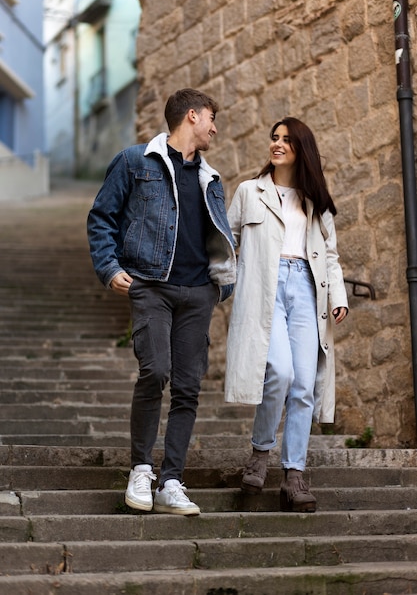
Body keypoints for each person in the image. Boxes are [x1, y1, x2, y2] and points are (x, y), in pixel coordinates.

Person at [87, 88, 236, 516]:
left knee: (188, 387)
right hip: (150, 284)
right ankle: (140, 469)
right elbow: (102, 217)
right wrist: (110, 267)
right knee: (155, 371)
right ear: (192, 116)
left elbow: (217, 236)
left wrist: (220, 285)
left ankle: (171, 479)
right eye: (211, 118)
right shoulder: (136, 162)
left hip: (197, 292)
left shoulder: (212, 178)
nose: (215, 127)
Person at [224, 117, 348, 513]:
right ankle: (261, 453)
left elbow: (330, 255)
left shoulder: (315, 201)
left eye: (286, 140)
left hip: (307, 291)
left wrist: (338, 296)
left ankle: (294, 475)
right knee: (279, 371)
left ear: (300, 149)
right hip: (266, 289)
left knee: (305, 385)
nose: (276, 144)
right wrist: (224, 284)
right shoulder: (249, 191)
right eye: (274, 138)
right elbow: (227, 244)